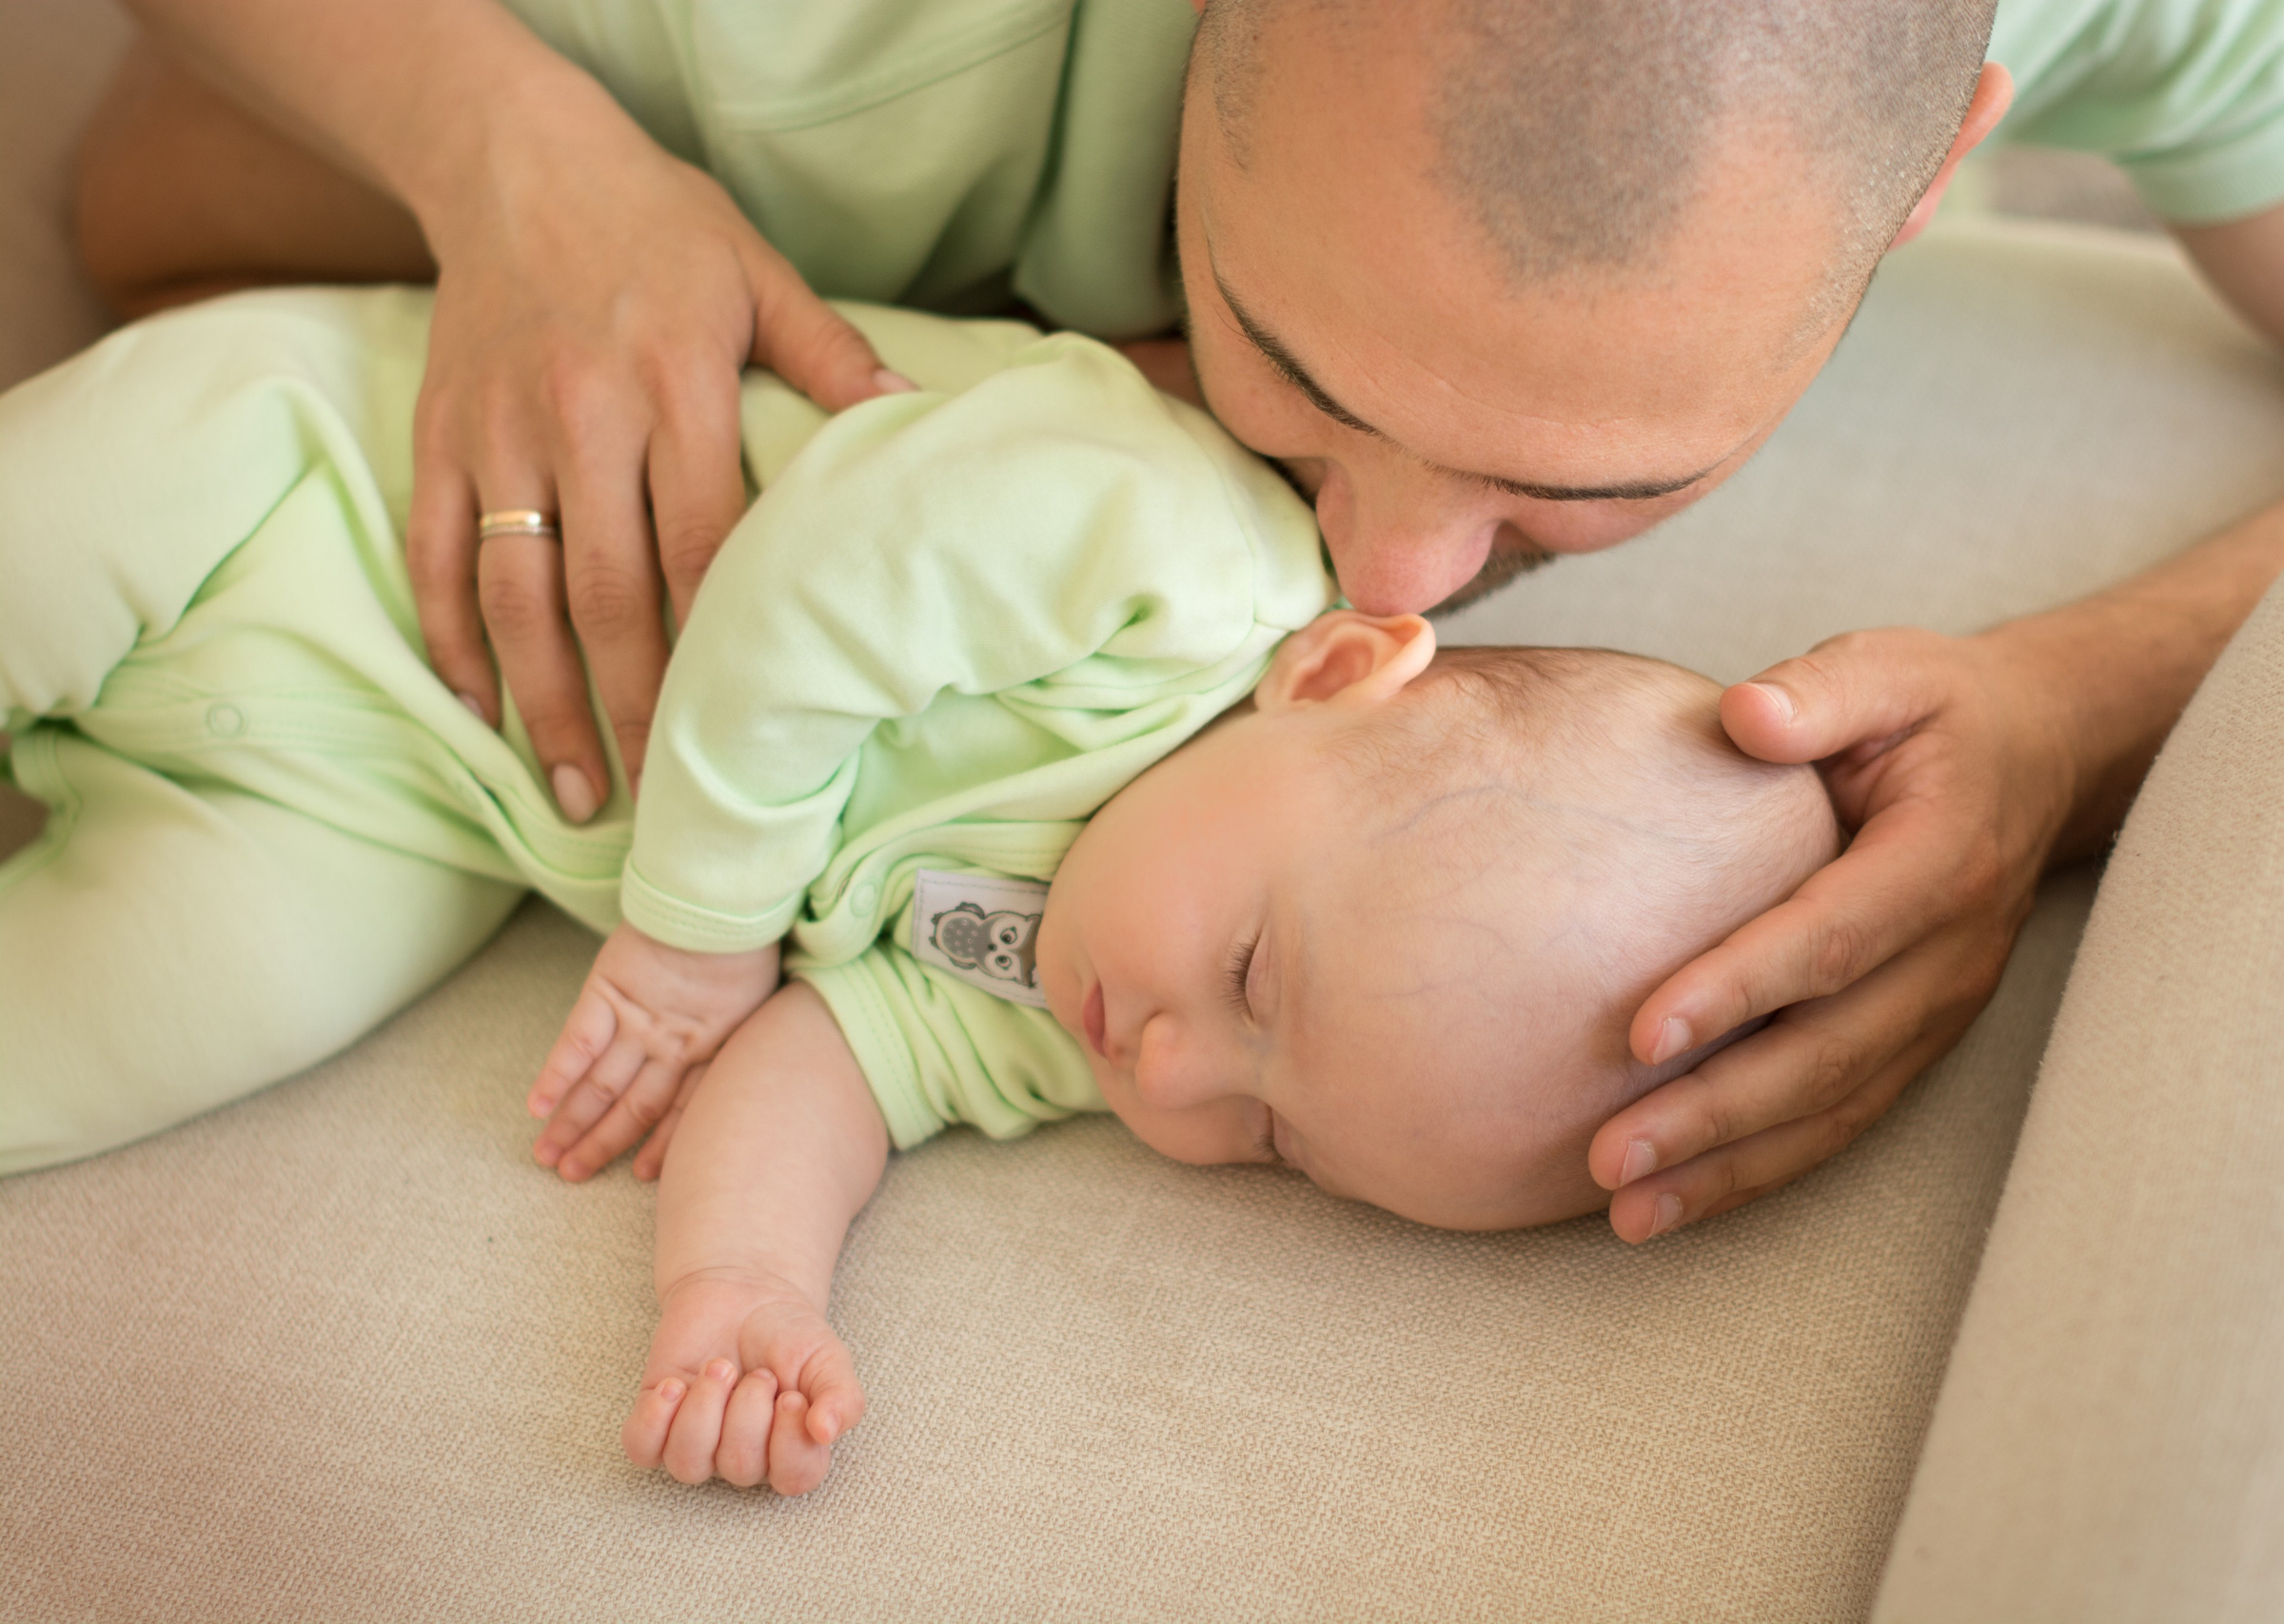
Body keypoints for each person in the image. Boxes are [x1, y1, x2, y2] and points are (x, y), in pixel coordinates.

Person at [65, 0, 2284, 1248]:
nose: (1382, 584)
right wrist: (525, 160)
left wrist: (2071, 708)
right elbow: (141, 196)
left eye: (1593, 489)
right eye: (1288, 363)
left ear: (1940, 172)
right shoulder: (848, 47)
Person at [0, 287, 1833, 1500]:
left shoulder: (1097, 1012)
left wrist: (745, 1283)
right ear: (1338, 678)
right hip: (326, 482)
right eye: (1256, 973)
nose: (1177, 1076)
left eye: (1272, 1141)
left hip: (415, 792)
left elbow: (840, 1066)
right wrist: (701, 928)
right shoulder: (1167, 557)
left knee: (159, 1011)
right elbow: (809, 590)